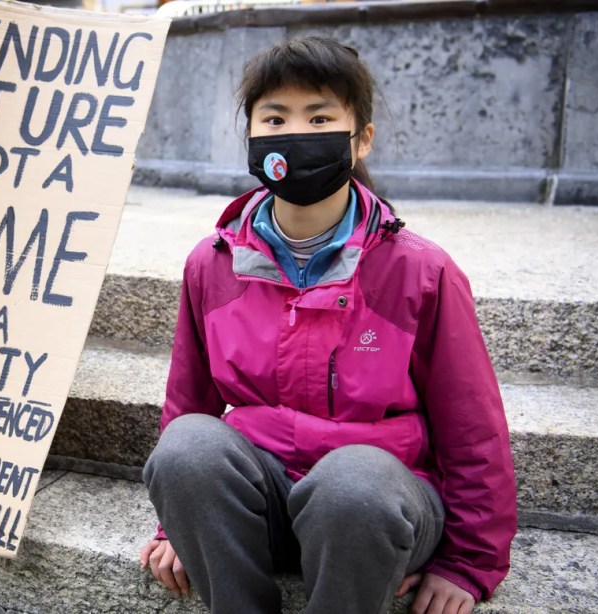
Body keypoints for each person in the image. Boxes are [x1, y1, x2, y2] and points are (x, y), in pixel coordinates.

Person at [139, 36, 516, 614]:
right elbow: (187, 404)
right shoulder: (211, 264)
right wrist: (179, 527)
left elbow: (473, 429)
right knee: (185, 447)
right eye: (275, 116)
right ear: (252, 137)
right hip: (264, 500)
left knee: (353, 484)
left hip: (377, 506)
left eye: (320, 116)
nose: (296, 131)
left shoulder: (420, 271)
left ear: (361, 136)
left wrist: (467, 563)